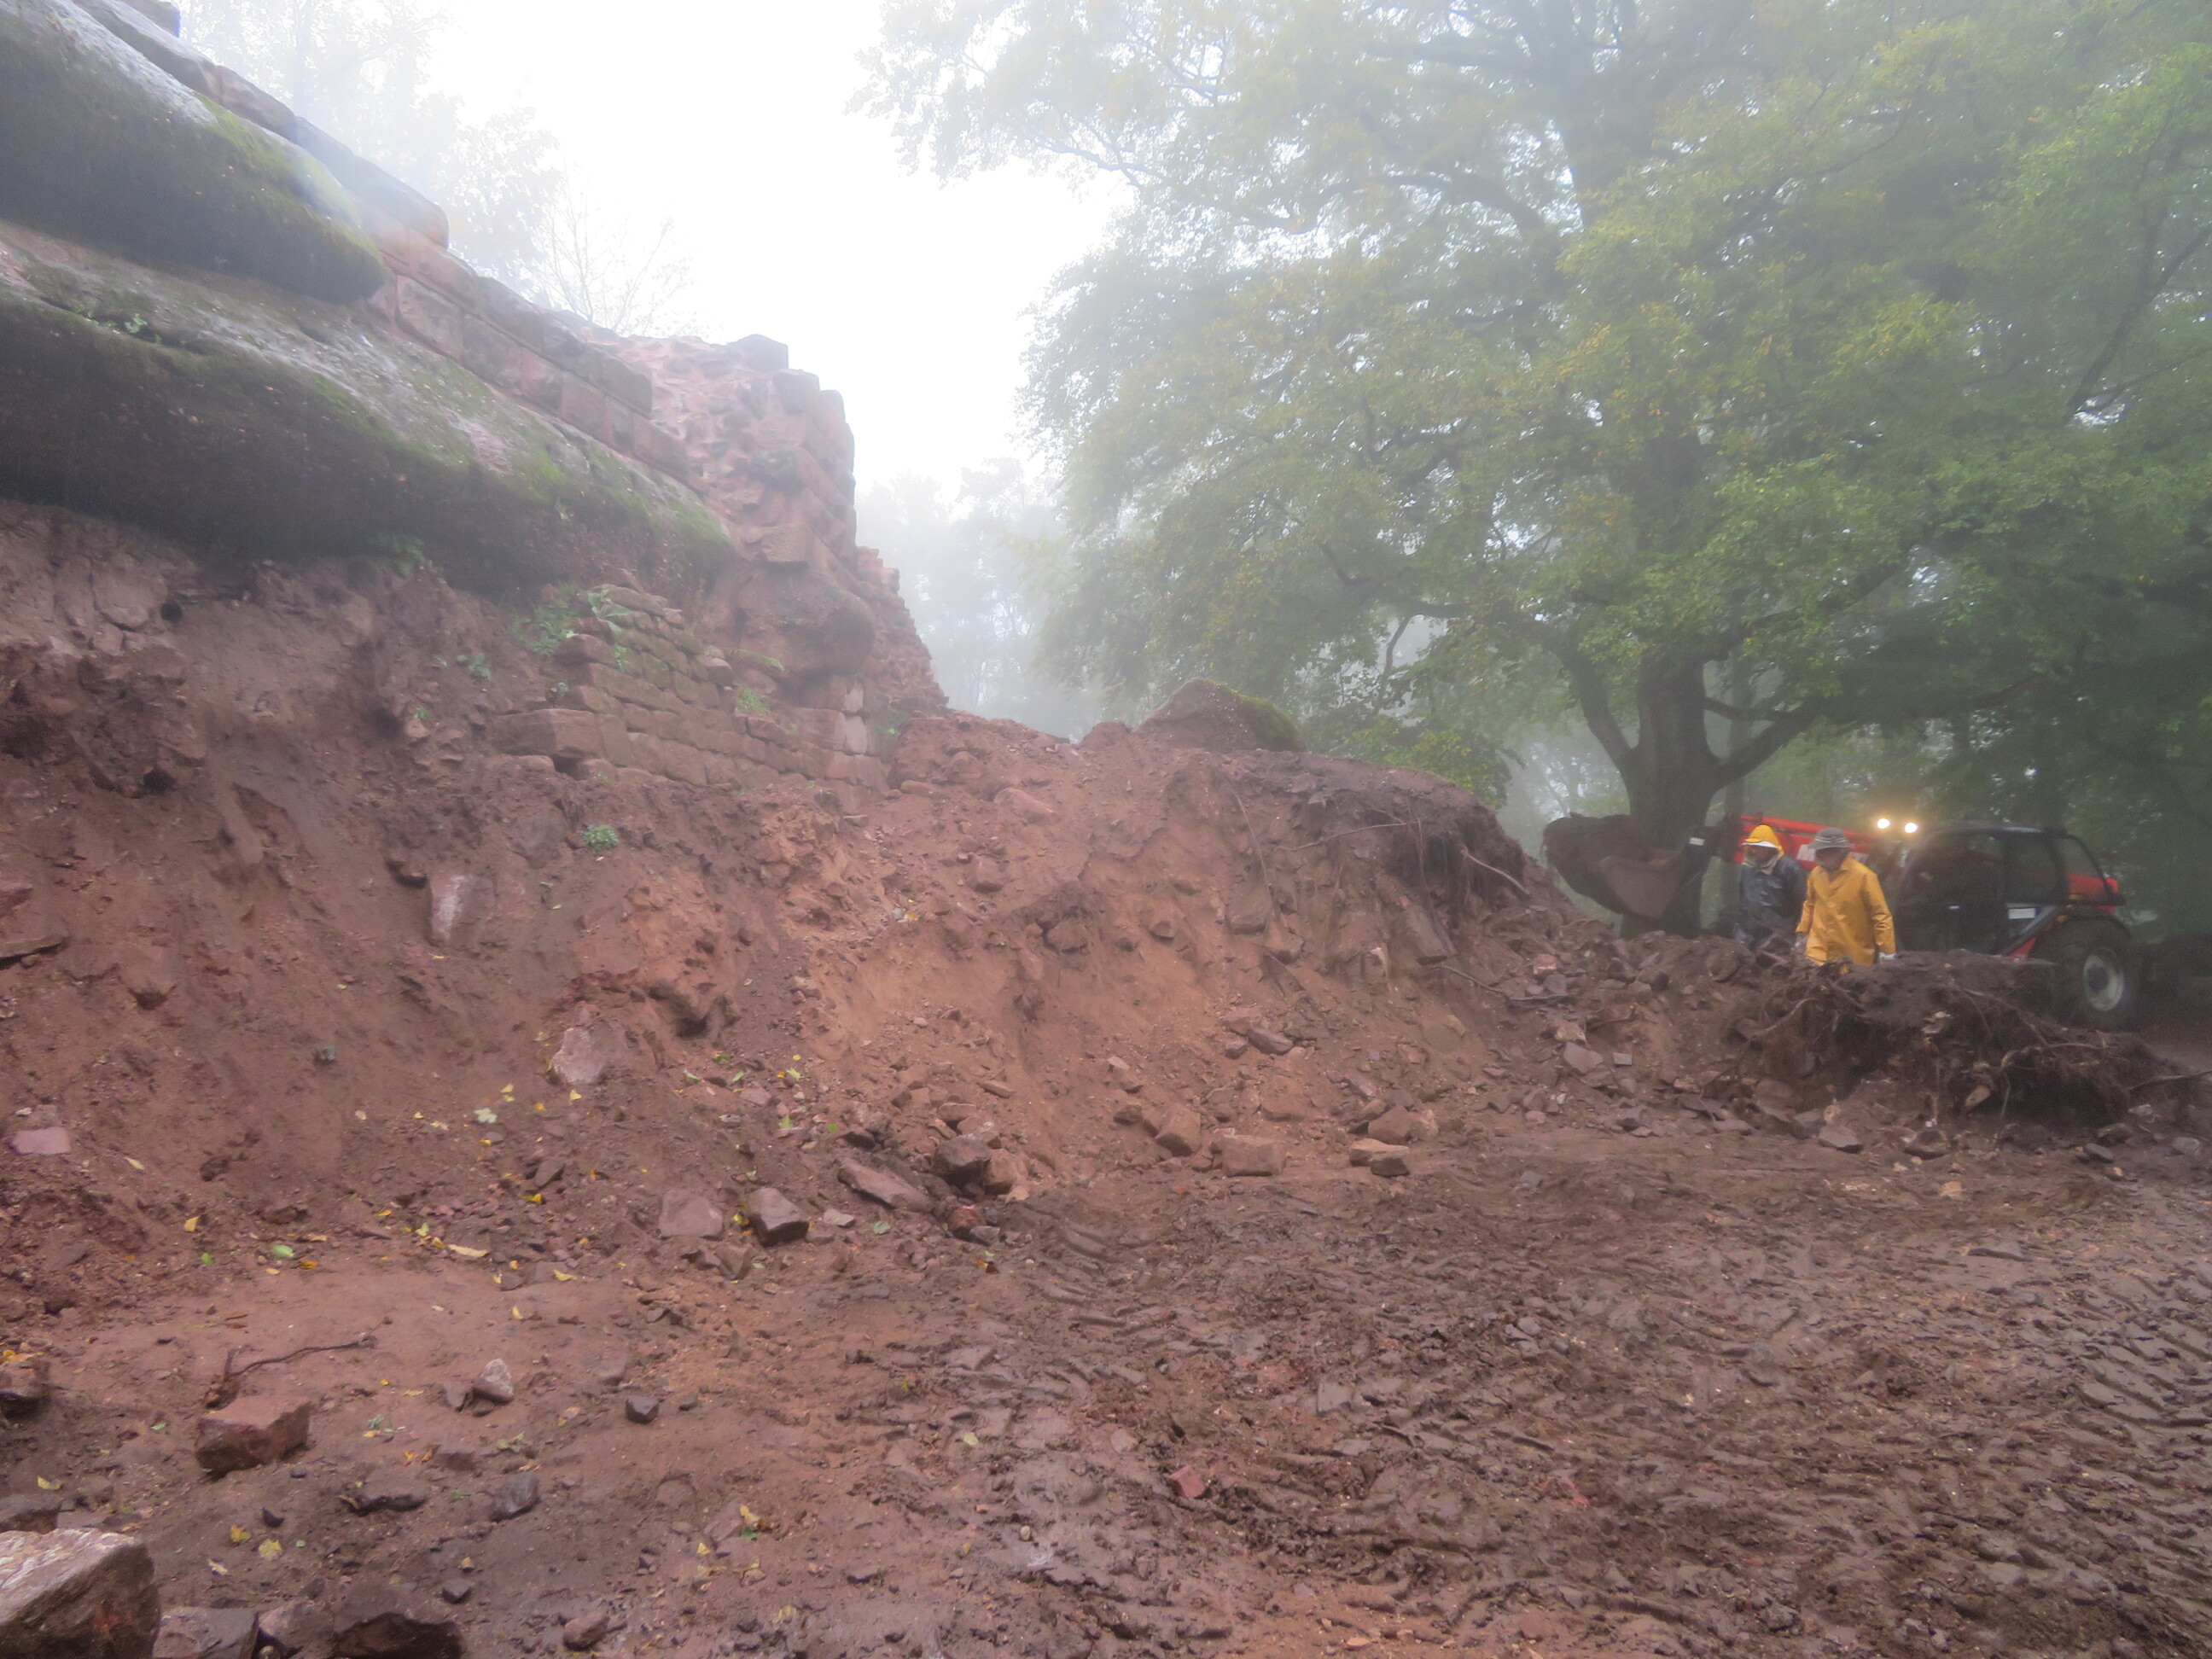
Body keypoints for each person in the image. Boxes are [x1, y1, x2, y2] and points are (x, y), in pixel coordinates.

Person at [1797, 825, 1896, 968]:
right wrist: (1802, 933)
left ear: (1838, 852)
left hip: (1852, 957)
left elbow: (1880, 915)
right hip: (1817, 954)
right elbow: (1810, 904)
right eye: (1817, 852)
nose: (1817, 856)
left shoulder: (1864, 876)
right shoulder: (1816, 874)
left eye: (1821, 852)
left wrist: (1887, 951)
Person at [1733, 824, 1807, 952]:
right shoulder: (1748, 867)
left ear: (1770, 848)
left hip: (1778, 935)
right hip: (1748, 932)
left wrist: (1798, 934)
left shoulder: (1790, 868)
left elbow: (1802, 903)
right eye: (1752, 847)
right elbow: (1743, 897)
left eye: (1758, 847)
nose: (1754, 851)